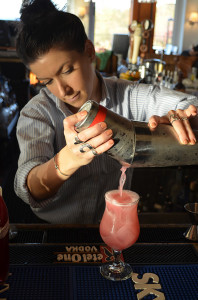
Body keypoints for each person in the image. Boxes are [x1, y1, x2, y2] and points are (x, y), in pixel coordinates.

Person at [14, 0, 198, 224]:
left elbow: (189, 102)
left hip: (115, 226)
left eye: (68, 70)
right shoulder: (37, 113)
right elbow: (30, 189)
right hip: (54, 231)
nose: (63, 90)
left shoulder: (128, 95)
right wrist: (69, 158)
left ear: (90, 52)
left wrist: (184, 116)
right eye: (47, 81)